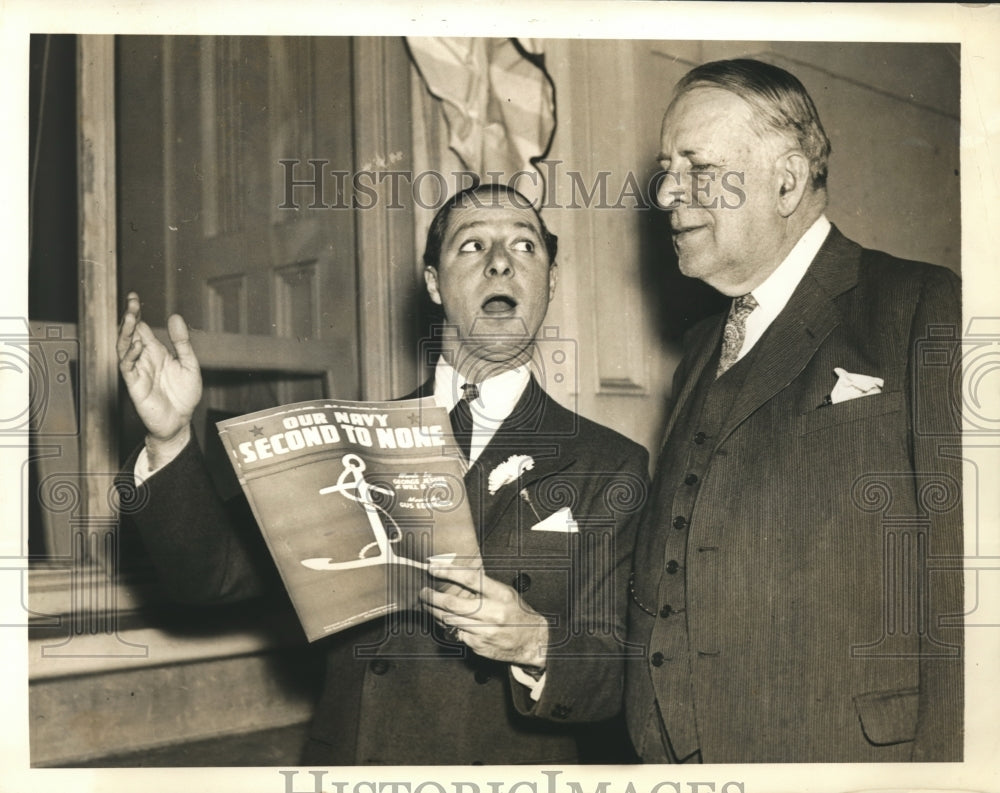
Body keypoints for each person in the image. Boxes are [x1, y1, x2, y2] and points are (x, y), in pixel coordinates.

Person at [116, 183, 649, 765]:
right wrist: (168, 437)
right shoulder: (346, 440)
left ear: (549, 281)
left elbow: (629, 669)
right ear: (433, 284)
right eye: (472, 246)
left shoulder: (608, 463)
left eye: (524, 246)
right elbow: (209, 578)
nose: (500, 260)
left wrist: (535, 643)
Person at [624, 59, 963, 763]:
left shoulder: (924, 307)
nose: (668, 192)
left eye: (698, 167)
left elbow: (971, 591)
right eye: (666, 168)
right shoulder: (696, 352)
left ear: (785, 178)